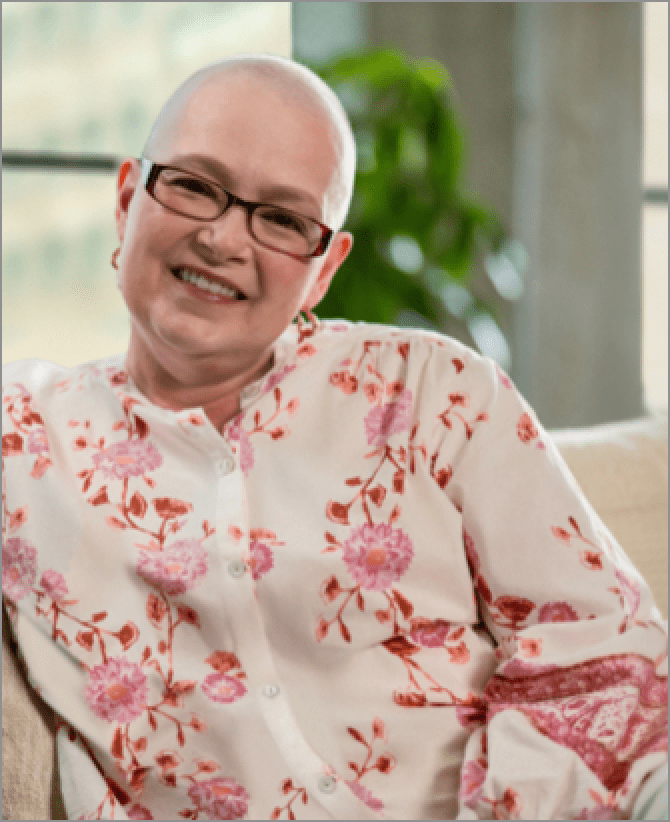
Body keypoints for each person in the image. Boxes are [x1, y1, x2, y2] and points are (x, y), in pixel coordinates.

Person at [2, 54, 667, 821]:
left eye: (284, 220)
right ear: (127, 202)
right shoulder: (23, 434)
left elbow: (603, 648)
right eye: (193, 185)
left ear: (323, 270)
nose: (223, 239)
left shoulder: (434, 391)